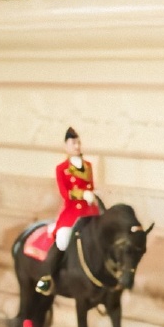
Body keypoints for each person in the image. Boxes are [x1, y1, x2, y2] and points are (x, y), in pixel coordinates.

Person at [37, 127, 99, 296]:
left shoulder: (88, 166)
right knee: (63, 239)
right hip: (71, 212)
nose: (77, 146)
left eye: (78, 142)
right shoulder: (61, 168)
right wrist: (81, 193)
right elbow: (65, 193)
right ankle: (47, 276)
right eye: (73, 143)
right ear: (66, 146)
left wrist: (91, 195)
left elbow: (91, 186)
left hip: (89, 211)